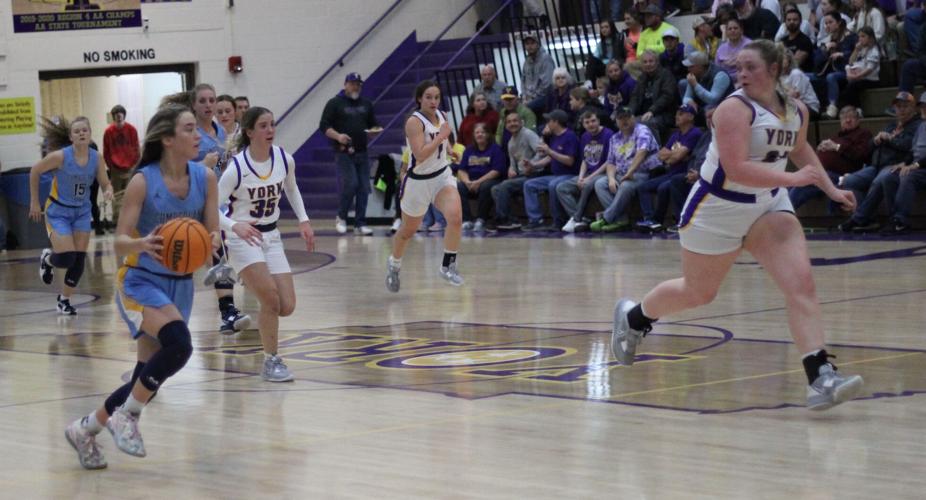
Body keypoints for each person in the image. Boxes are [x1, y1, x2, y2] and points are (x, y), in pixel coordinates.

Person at [610, 40, 864, 412]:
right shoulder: (733, 109)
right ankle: (634, 317)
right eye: (737, 67)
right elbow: (737, 168)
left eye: (750, 67)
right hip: (717, 210)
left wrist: (831, 188)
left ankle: (820, 376)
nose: (741, 74)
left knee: (801, 284)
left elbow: (799, 150)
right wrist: (796, 181)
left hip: (768, 206)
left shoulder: (795, 109)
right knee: (698, 292)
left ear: (775, 69)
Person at [63, 104, 219, 469]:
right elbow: (118, 241)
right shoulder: (142, 181)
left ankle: (85, 429)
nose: (198, 135)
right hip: (140, 281)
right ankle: (127, 416)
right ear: (167, 139)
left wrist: (215, 244)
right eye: (188, 129)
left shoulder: (205, 178)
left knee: (144, 377)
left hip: (182, 284)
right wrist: (141, 243)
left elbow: (212, 234)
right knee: (180, 345)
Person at [217, 107, 315, 382]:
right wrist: (233, 225)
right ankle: (272, 360)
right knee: (270, 298)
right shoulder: (236, 168)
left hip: (271, 237)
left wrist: (304, 220)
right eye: (263, 126)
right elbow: (210, 208)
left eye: (272, 124)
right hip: (241, 237)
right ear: (249, 132)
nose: (270, 130)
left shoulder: (284, 159)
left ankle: (249, 286)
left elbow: (291, 188)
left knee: (286, 305)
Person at [29, 116, 114, 315]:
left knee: (79, 259)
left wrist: (108, 190)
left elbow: (104, 182)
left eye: (85, 130)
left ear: (90, 133)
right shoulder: (60, 156)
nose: (82, 133)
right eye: (77, 131)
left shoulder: (96, 157)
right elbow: (35, 171)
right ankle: (48, 259)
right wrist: (34, 201)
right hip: (58, 211)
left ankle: (64, 300)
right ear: (71, 137)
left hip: (82, 211)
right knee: (67, 257)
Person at [386, 81, 465, 292]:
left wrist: (449, 149)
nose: (433, 101)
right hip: (418, 182)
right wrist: (441, 137)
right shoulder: (414, 122)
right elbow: (420, 155)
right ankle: (394, 264)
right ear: (419, 99)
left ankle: (448, 266)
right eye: (429, 97)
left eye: (436, 97)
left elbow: (443, 139)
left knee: (455, 217)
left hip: (441, 176)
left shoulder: (442, 116)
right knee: (407, 231)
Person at [190, 83, 251, 336]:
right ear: (194, 105)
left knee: (224, 253)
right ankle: (227, 311)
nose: (207, 105)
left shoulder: (222, 133)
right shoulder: (191, 132)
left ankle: (228, 311)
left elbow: (225, 172)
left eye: (211, 100)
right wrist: (201, 164)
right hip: (197, 201)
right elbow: (177, 167)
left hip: (222, 202)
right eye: (202, 101)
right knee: (217, 252)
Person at [838, 92, 921, 232]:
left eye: (905, 106)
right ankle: (868, 219)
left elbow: (909, 146)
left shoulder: (917, 126)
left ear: (913, 108)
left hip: (896, 164)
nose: (901, 109)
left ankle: (861, 218)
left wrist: (890, 139)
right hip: (876, 165)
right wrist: (876, 140)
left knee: (882, 178)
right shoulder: (891, 125)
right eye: (898, 106)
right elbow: (869, 147)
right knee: (849, 181)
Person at [320, 72, 380, 235]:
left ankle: (360, 223)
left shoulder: (366, 104)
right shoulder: (334, 103)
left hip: (362, 150)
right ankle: (341, 216)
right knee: (351, 183)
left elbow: (373, 124)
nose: (356, 87)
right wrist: (338, 136)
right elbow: (324, 126)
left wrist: (374, 131)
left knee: (364, 187)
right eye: (353, 83)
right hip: (343, 152)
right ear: (345, 84)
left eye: (358, 84)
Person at [590, 106, 661, 232]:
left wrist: (630, 172)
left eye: (627, 117)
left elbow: (642, 152)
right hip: (621, 173)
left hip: (642, 173)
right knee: (600, 183)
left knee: (625, 186)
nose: (624, 121)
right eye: (620, 118)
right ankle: (620, 219)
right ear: (616, 121)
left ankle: (606, 218)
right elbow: (611, 162)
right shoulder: (614, 138)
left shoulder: (642, 130)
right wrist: (611, 179)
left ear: (633, 118)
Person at [635, 104, 704, 232]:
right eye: (677, 113)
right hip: (670, 172)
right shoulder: (676, 134)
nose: (676, 116)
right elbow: (661, 155)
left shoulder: (695, 133)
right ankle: (650, 220)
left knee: (663, 188)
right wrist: (676, 156)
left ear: (690, 117)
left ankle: (658, 220)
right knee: (642, 187)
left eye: (681, 114)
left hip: (683, 173)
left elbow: (675, 158)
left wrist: (674, 157)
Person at [790, 106, 871, 210]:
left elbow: (860, 155)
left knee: (809, 180)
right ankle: (783, 214)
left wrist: (836, 147)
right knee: (792, 182)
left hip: (842, 175)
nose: (848, 120)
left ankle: (785, 216)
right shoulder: (836, 137)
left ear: (858, 119)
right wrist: (820, 149)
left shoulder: (863, 134)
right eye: (844, 118)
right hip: (823, 172)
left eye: (851, 117)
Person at [521, 109, 580, 231]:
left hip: (570, 174)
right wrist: (533, 165)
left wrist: (550, 151)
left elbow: (570, 161)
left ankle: (558, 221)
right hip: (556, 175)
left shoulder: (570, 136)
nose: (547, 123)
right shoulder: (554, 137)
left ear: (556, 122)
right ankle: (536, 220)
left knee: (553, 185)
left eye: (549, 120)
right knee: (529, 184)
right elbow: (550, 157)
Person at [557, 110, 614, 232]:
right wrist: (580, 177)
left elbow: (609, 161)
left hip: (603, 173)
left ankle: (576, 219)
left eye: (593, 121)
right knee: (561, 188)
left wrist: (588, 178)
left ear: (598, 121)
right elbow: (584, 160)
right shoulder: (584, 136)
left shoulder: (609, 134)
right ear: (583, 125)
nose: (591, 124)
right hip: (587, 173)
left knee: (586, 185)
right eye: (587, 122)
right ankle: (581, 219)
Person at [491, 112, 544, 230]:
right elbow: (513, 163)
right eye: (509, 122)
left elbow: (541, 152)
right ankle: (511, 220)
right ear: (505, 126)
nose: (512, 124)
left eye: (515, 121)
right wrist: (511, 169)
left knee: (505, 185)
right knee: (495, 189)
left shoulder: (528, 134)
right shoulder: (510, 142)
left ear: (521, 122)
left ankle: (503, 218)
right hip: (521, 175)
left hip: (535, 173)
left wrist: (532, 165)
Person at [457, 123, 506, 232]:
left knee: (486, 186)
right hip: (472, 181)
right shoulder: (469, 150)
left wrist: (478, 182)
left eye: (483, 132)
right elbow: (462, 170)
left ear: (488, 134)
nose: (480, 135)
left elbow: (496, 171)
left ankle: (481, 219)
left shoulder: (495, 149)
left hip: (490, 180)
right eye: (477, 132)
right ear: (474, 135)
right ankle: (467, 220)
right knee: (458, 186)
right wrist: (467, 182)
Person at [628, 49, 679, 141]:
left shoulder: (666, 75)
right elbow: (635, 97)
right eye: (645, 62)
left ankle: (654, 150)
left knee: (647, 123)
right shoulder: (641, 78)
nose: (648, 64)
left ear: (657, 62)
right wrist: (629, 113)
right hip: (643, 114)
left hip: (663, 114)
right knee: (627, 122)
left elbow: (667, 97)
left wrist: (652, 111)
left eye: (651, 61)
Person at [103, 104, 139, 227]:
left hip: (130, 168)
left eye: (120, 114)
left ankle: (130, 221)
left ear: (124, 115)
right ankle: (117, 222)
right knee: (116, 196)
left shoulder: (132, 130)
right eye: (116, 115)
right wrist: (111, 166)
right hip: (116, 169)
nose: (118, 117)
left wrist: (135, 165)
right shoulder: (108, 132)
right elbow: (106, 151)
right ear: (113, 117)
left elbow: (136, 148)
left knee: (131, 195)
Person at [681, 51, 733, 120]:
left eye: (691, 66)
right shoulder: (694, 75)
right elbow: (687, 97)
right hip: (705, 104)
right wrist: (689, 102)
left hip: (723, 106)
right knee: (685, 107)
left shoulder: (720, 75)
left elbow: (713, 99)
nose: (688, 69)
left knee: (708, 108)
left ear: (700, 66)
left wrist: (695, 85)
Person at [521, 34, 556, 115]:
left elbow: (547, 84)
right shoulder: (527, 61)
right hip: (529, 98)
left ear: (538, 44)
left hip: (543, 97)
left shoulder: (545, 59)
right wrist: (524, 97)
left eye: (532, 43)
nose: (530, 46)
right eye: (527, 44)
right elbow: (523, 81)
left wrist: (532, 97)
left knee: (524, 110)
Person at [780, 50, 820, 118]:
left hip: (809, 107)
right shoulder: (779, 77)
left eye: (782, 58)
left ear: (789, 60)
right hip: (790, 106)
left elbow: (797, 96)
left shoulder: (796, 73)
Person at [780, 7, 816, 73]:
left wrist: (786, 60)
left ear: (800, 21)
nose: (792, 22)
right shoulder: (782, 41)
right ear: (785, 22)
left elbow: (796, 64)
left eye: (795, 19)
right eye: (789, 20)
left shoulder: (805, 40)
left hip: (801, 74)